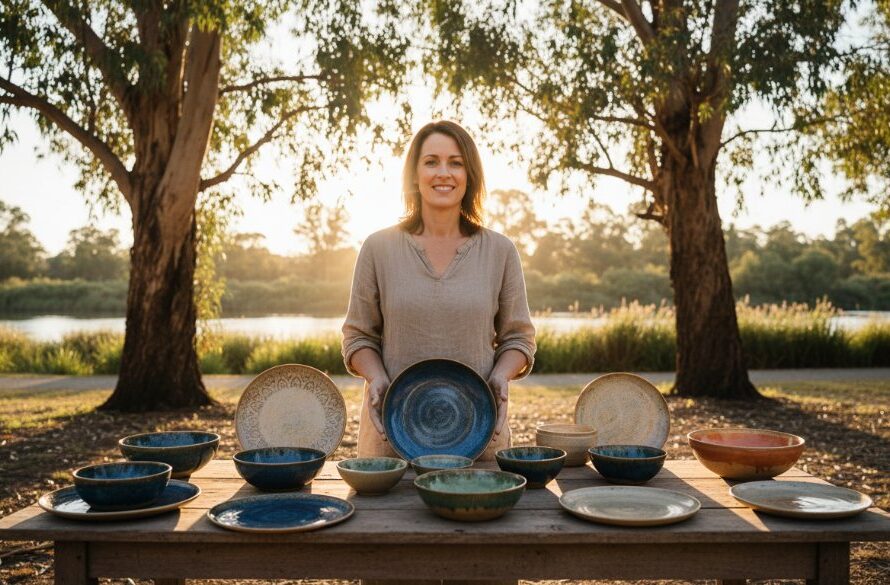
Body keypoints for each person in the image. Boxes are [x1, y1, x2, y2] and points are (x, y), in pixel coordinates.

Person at [341, 120, 536, 585]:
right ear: (414, 174)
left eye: (455, 162)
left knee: (484, 572)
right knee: (392, 572)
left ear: (470, 175)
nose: (442, 172)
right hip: (391, 446)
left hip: (479, 443)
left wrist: (501, 376)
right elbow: (357, 337)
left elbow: (519, 339)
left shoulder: (500, 251)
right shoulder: (378, 248)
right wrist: (377, 377)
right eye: (431, 162)